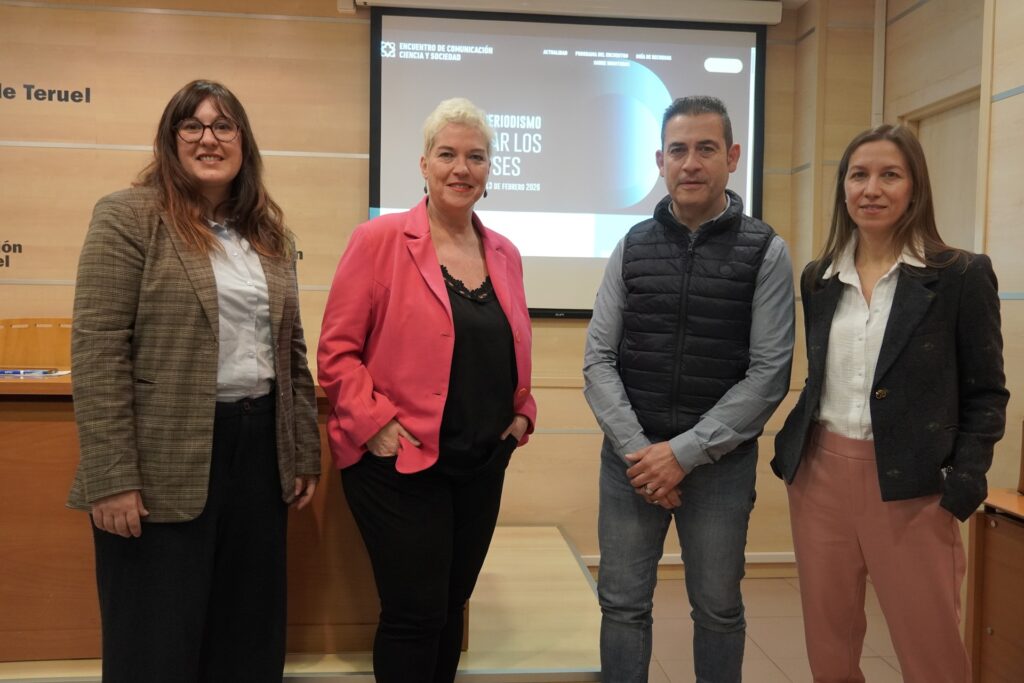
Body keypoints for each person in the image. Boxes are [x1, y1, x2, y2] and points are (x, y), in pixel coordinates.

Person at [67, 79, 321, 682]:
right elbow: (98, 350)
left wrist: (302, 449)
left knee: (248, 639)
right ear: (170, 139)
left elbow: (291, 352)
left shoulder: (267, 230)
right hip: (160, 465)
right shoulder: (128, 217)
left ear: (243, 142)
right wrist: (111, 477)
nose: (209, 138)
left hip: (259, 455)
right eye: (193, 126)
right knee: (154, 645)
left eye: (224, 125)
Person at [772, 124, 1008, 683]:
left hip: (916, 483)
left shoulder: (960, 275)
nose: (871, 189)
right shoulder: (819, 278)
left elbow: (987, 391)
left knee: (930, 651)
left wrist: (965, 478)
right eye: (859, 175)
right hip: (821, 475)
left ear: (915, 187)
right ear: (844, 188)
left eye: (889, 175)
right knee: (828, 645)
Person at [317, 97, 537, 683]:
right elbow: (336, 354)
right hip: (398, 464)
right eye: (448, 155)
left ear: (489, 170)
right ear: (423, 164)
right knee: (414, 614)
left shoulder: (506, 255)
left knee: (448, 611)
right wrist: (376, 426)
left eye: (476, 157)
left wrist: (522, 417)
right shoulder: (379, 241)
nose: (461, 168)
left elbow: (511, 348)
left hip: (481, 462)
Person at [583, 95, 795, 682]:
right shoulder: (630, 245)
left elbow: (769, 372)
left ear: (731, 157)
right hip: (630, 463)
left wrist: (682, 454)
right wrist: (642, 453)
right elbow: (598, 359)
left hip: (719, 468)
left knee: (718, 611)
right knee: (622, 607)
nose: (691, 163)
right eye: (678, 150)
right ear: (660, 160)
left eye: (706, 148)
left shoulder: (766, 252)